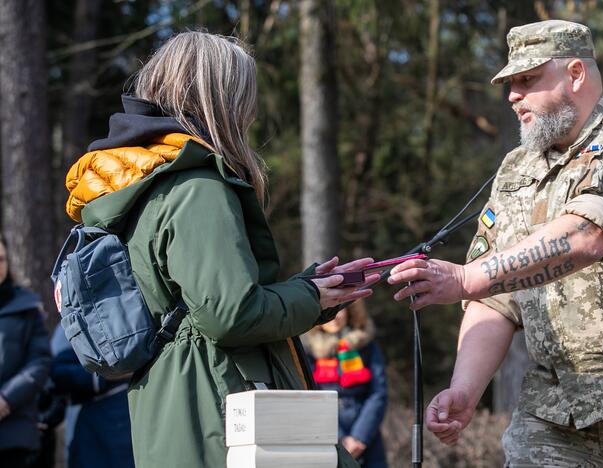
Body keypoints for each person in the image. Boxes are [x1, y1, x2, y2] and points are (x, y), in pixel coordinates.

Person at [388, 20, 603, 466]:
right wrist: (465, 388)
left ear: (575, 74)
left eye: (527, 80)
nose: (513, 95)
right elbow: (493, 297)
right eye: (510, 84)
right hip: (555, 415)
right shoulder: (516, 169)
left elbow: (590, 234)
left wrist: (465, 277)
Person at [62, 32, 376, 468]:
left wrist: (306, 291)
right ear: (219, 98)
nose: (250, 113)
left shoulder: (136, 182)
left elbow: (199, 303)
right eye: (245, 97)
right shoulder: (197, 187)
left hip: (167, 405)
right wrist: (311, 297)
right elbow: (230, 314)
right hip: (221, 407)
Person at [303, 300, 388, 467]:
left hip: (366, 433)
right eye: (327, 311)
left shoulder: (366, 346)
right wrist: (338, 439)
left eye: (339, 309)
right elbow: (308, 396)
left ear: (350, 311)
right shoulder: (308, 351)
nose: (334, 317)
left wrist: (359, 437)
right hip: (325, 434)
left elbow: (378, 393)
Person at [50, 323, 135, 468]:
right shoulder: (78, 318)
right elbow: (58, 372)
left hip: (134, 418)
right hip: (98, 428)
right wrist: (107, 375)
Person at [0, 236, 52, 467]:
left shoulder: (26, 306)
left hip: (16, 430)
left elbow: (39, 362)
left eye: (1, 259)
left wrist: (6, 399)